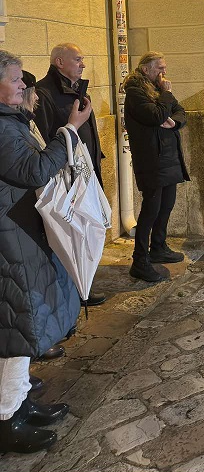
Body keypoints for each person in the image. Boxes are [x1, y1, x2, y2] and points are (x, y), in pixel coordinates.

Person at [0, 51, 91, 453]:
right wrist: (69, 131)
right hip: (9, 237)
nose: (24, 85)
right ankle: (8, 420)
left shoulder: (10, 121)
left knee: (22, 325)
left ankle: (20, 403)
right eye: (15, 79)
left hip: (20, 232)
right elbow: (34, 170)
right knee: (15, 329)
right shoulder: (2, 128)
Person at [35, 44, 106, 312]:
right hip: (65, 176)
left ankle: (82, 286)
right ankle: (72, 293)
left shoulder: (78, 90)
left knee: (85, 231)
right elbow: (45, 137)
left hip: (85, 170)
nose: (83, 64)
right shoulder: (45, 93)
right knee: (69, 234)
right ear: (60, 62)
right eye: (77, 59)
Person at [123, 53, 190, 283]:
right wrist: (166, 95)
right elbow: (155, 115)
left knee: (167, 204)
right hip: (151, 159)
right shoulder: (135, 91)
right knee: (151, 209)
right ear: (145, 69)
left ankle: (158, 246)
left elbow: (181, 111)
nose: (164, 72)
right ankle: (139, 260)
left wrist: (174, 122)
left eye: (164, 67)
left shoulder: (158, 90)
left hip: (168, 157)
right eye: (159, 68)